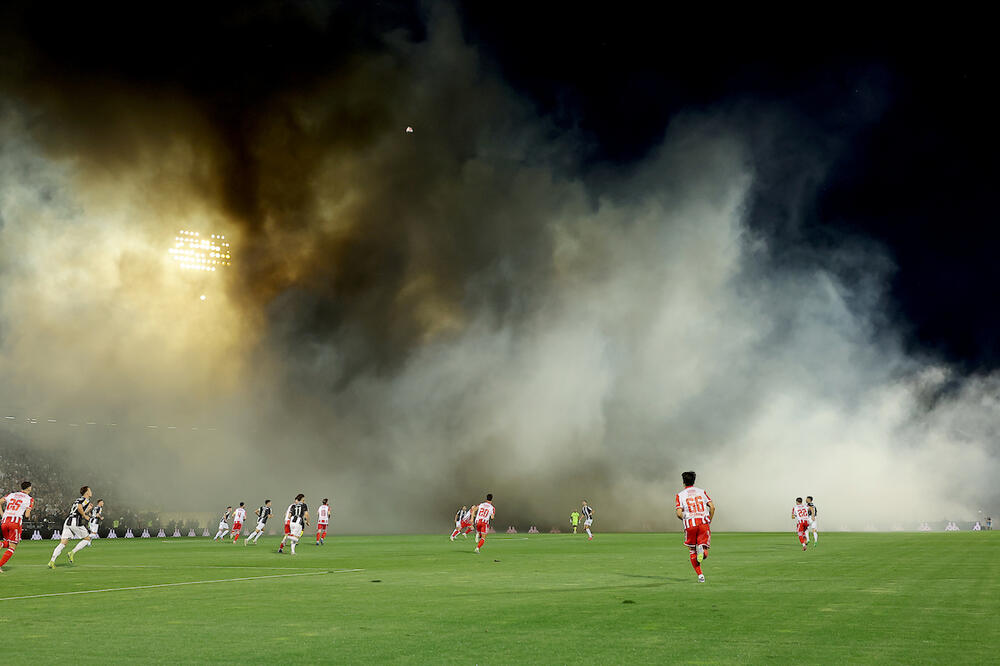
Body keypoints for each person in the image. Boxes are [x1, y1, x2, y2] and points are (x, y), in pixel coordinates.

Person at [675, 471, 715, 583]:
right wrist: (709, 520)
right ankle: (702, 550)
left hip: (690, 524)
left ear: (683, 482)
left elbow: (679, 513)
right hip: (703, 522)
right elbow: (712, 507)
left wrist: (686, 519)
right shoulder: (702, 492)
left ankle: (700, 576)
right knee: (704, 547)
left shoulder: (680, 495)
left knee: (692, 550)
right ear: (694, 481)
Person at [49, 486, 94, 568]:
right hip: (75, 522)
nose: (91, 492)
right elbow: (79, 508)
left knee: (63, 543)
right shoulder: (85, 500)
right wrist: (85, 515)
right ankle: (72, 552)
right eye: (90, 490)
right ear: (87, 492)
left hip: (68, 521)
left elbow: (77, 510)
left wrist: (87, 510)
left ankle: (52, 561)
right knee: (87, 539)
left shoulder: (78, 499)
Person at [0, 480, 34, 572]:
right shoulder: (29, 499)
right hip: (14, 522)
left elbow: (0, 502)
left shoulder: (11, 495)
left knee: (7, 542)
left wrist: (2, 514)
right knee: (12, 547)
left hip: (4, 521)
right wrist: (29, 515)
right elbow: (27, 515)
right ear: (29, 488)